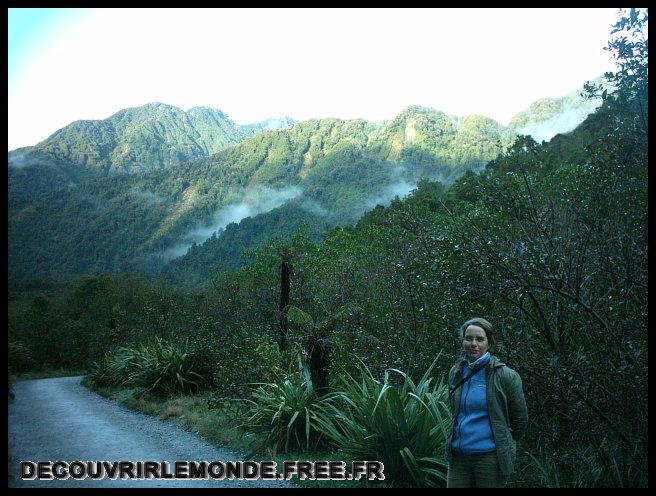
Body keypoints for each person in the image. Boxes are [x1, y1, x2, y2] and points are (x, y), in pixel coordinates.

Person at [444, 317, 528, 488]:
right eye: (468, 338)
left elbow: (520, 419)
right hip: (459, 457)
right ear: (463, 341)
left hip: (489, 458)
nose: (473, 343)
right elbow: (454, 411)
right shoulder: (456, 372)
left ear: (488, 343)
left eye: (479, 339)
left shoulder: (505, 375)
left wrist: (504, 444)